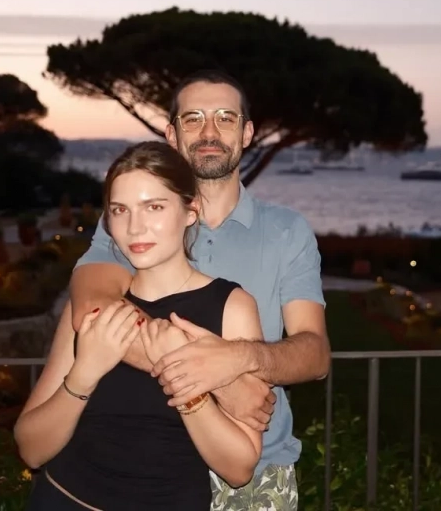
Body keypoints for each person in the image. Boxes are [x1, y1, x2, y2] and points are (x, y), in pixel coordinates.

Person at [68, 69, 330, 510]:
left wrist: (239, 360)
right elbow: (93, 309)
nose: (209, 132)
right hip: (147, 467)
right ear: (172, 134)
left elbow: (315, 353)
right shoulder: (135, 223)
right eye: (193, 119)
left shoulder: (287, 230)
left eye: (225, 118)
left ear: (247, 133)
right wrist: (220, 386)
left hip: (256, 469)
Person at [15, 141, 263, 509]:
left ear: (190, 210)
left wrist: (184, 385)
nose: (134, 227)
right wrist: (84, 374)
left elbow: (239, 468)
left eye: (154, 207)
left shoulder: (231, 307)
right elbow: (31, 450)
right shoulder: (94, 308)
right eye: (120, 210)